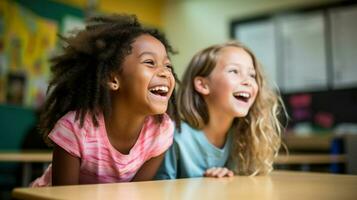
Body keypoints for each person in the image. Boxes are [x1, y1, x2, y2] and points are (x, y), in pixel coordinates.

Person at [31, 13, 180, 186]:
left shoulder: (161, 131)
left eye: (168, 65)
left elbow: (137, 192)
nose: (165, 72)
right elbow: (62, 196)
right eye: (150, 62)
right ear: (112, 79)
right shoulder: (75, 130)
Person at [155, 41, 286, 179]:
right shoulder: (174, 137)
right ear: (203, 84)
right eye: (234, 71)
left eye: (252, 75)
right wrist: (205, 184)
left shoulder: (243, 138)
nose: (248, 81)